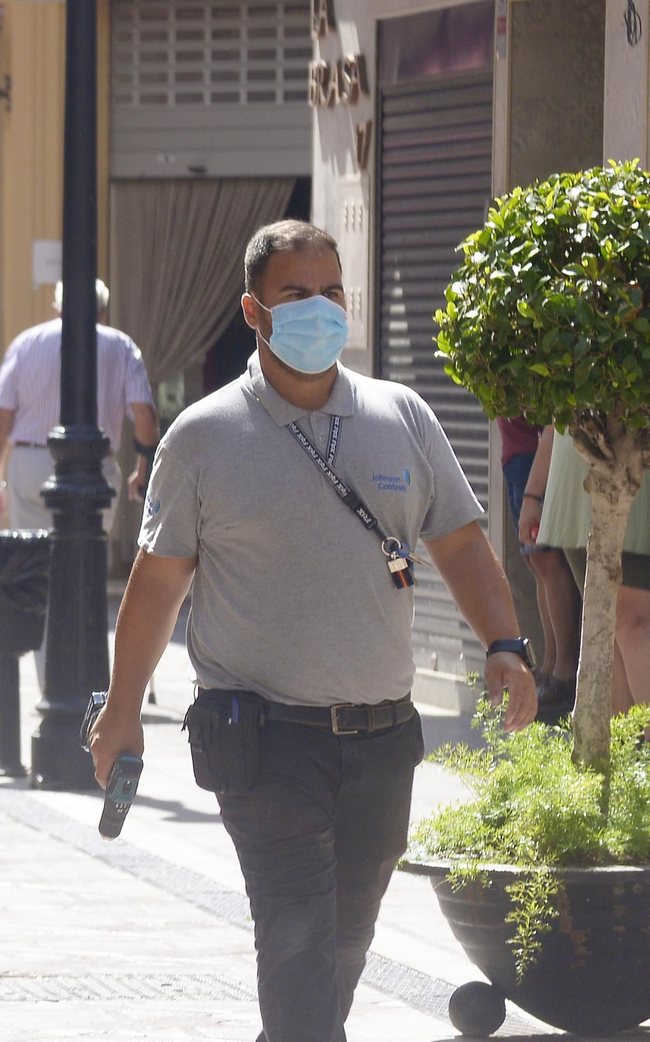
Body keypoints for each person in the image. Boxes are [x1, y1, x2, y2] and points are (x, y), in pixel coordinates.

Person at [87, 220, 537, 1042]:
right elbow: (156, 587)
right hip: (263, 738)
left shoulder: (399, 413)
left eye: (332, 292)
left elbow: (463, 542)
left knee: (342, 948)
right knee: (294, 938)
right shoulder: (203, 436)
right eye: (297, 295)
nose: (320, 310)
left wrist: (505, 644)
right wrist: (122, 712)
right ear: (255, 312)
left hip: (383, 735)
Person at [0, 278, 160, 532]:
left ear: (58, 308)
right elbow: (145, 416)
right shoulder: (122, 346)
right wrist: (144, 467)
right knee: (89, 555)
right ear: (102, 312)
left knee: (34, 558)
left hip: (31, 464)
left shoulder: (26, 344)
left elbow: (0, 423)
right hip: (96, 465)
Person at [522, 425, 650, 714]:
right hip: (573, 475)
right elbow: (555, 418)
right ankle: (616, 752)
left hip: (634, 461)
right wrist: (532, 494)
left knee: (632, 622)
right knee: (607, 629)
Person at [499, 420, 580, 710]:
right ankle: (550, 664)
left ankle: (564, 670)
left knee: (547, 561)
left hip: (536, 454)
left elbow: (550, 416)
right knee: (537, 563)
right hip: (517, 455)